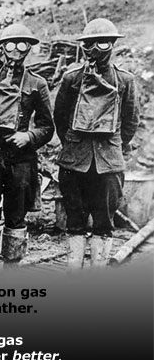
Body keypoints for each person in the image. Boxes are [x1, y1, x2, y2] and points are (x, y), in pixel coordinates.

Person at [54, 18, 139, 268]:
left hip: (108, 164)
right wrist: (74, 144)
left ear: (112, 45)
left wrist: (112, 146)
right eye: (89, 44)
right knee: (75, 222)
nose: (95, 49)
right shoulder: (71, 79)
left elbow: (130, 121)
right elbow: (61, 118)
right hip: (74, 162)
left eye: (103, 43)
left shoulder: (125, 80)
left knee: (104, 224)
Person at [0, 23, 54, 265]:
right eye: (10, 45)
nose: (15, 50)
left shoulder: (37, 84)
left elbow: (47, 126)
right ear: (1, 48)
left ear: (29, 48)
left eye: (22, 45)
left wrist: (28, 136)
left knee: (16, 217)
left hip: (20, 159)